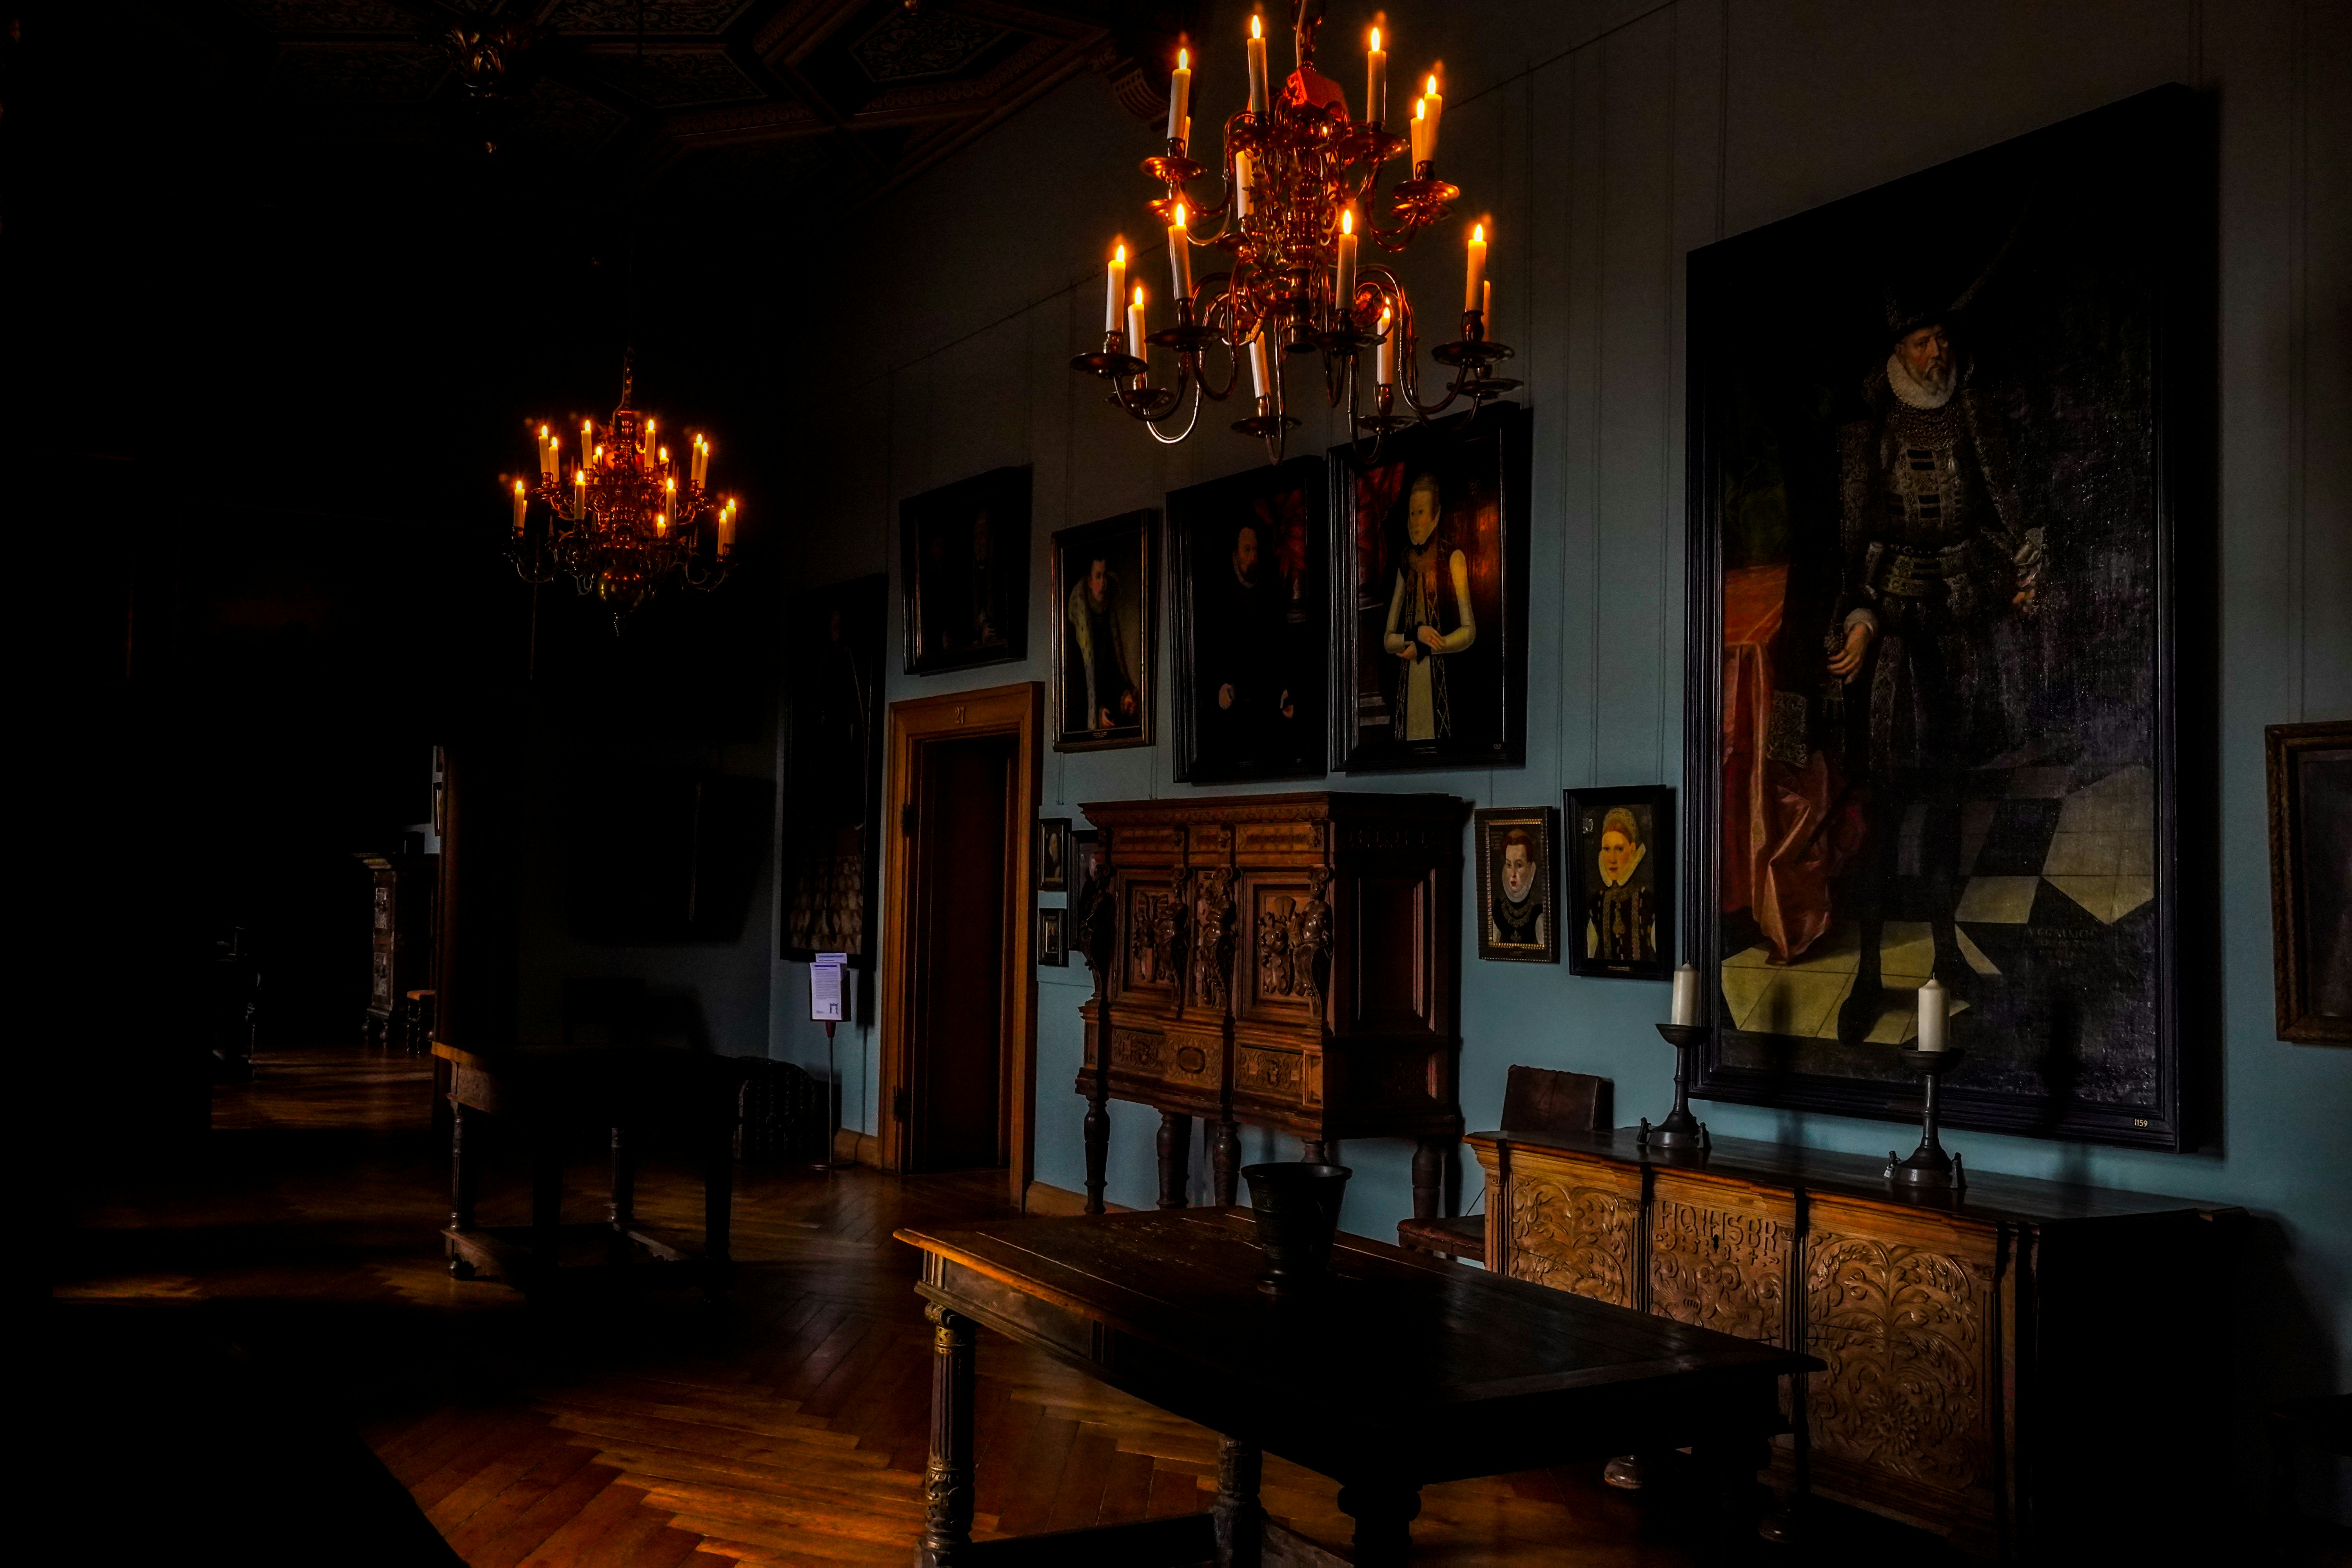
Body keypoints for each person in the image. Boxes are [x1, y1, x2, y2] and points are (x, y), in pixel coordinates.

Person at [1824, 295, 2041, 1042]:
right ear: (1900, 352)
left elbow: (2004, 514)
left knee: (1950, 801)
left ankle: (1947, 950)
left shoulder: (1974, 417)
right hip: (1887, 638)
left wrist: (2020, 569)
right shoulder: (1868, 433)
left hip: (1958, 625)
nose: (1937, 353)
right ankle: (1871, 973)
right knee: (1884, 810)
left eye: (1943, 339)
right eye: (1923, 341)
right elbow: (1852, 546)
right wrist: (1858, 618)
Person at [1382, 471, 1476, 742]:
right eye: (1411, 514)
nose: (1415, 522)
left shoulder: (1453, 556)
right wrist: (1415, 635)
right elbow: (1389, 641)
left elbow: (1469, 632)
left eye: (1421, 512)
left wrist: (1427, 646)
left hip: (1446, 682)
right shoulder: (1405, 563)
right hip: (1409, 682)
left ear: (1436, 515)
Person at [1202, 521, 1296, 763]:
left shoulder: (1270, 588)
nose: (1253, 557)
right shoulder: (1218, 590)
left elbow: (1282, 644)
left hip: (1266, 702)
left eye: (1256, 550)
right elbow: (1208, 649)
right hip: (1234, 705)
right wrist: (1218, 687)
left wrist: (1287, 689)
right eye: (1247, 550)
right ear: (1235, 552)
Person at [1064, 553, 1138, 737]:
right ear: (1089, 582)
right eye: (1098, 577)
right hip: (1082, 715)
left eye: (1105, 576)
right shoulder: (1076, 628)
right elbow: (1076, 684)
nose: (1103, 583)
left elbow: (1112, 671)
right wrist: (1097, 713)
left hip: (1106, 711)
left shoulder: (1107, 618)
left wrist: (1124, 698)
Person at [1586, 807, 1655, 962]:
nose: (1612, 859)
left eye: (1619, 849)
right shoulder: (1598, 902)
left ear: (1632, 850)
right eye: (1606, 849)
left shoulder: (1647, 900)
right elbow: (1589, 954)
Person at [1491, 828, 1546, 947]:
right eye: (1509, 865)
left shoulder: (1539, 913)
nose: (1513, 874)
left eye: (1519, 865)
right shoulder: (1497, 912)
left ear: (1530, 868)